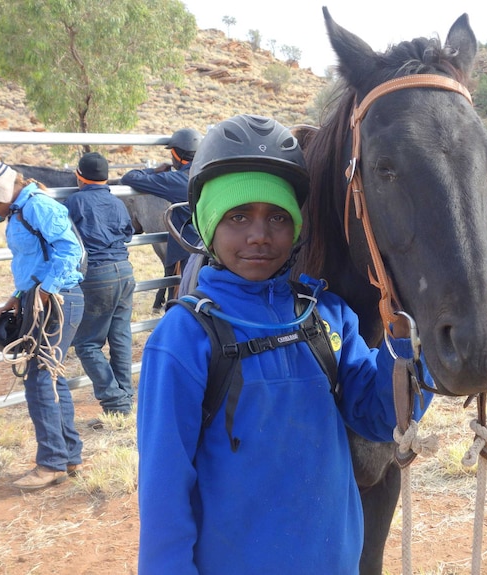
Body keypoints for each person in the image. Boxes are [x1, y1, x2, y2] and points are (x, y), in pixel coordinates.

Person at [136, 114, 432, 574]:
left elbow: (380, 418)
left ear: (297, 226)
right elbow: (163, 488)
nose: (259, 234)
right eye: (237, 216)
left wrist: (414, 344)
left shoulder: (325, 316)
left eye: (277, 216)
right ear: (206, 223)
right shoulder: (185, 339)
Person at [0, 159, 85, 490]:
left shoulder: (38, 207)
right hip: (41, 297)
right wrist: (16, 297)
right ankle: (68, 456)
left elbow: (69, 251)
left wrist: (46, 292)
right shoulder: (22, 208)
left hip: (57, 300)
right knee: (49, 376)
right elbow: (35, 261)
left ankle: (50, 464)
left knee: (40, 379)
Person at [63, 152, 136, 419]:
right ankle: (125, 397)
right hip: (125, 272)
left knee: (86, 344)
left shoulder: (74, 201)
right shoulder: (117, 202)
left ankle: (115, 401)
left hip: (97, 275)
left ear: (79, 176)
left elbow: (67, 236)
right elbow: (128, 233)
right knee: (120, 336)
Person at [121, 127, 203, 308]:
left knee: (182, 306)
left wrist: (154, 171)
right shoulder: (207, 176)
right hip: (211, 251)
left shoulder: (176, 180)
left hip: (187, 255)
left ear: (175, 154)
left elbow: (130, 177)